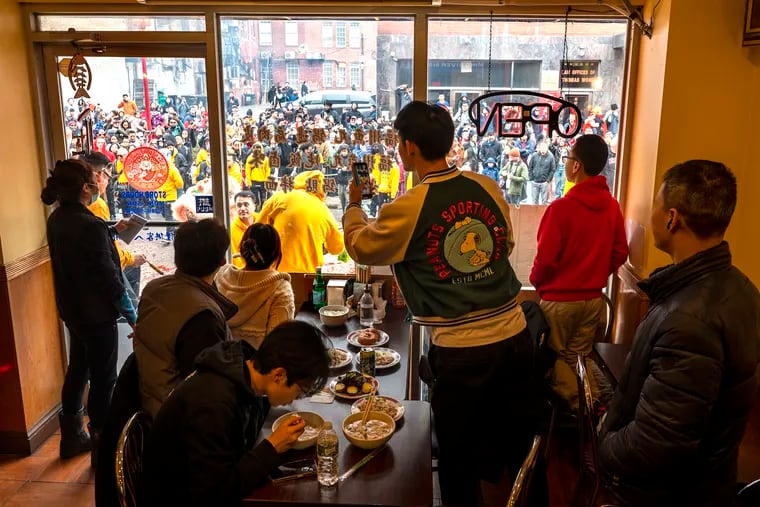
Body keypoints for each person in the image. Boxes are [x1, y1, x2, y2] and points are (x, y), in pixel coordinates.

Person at [342, 101, 544, 506]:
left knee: (458, 457)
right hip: (517, 336)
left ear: (409, 147)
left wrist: (353, 203)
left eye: (400, 141)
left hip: (462, 350)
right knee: (524, 447)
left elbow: (360, 247)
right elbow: (503, 242)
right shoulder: (485, 186)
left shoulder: (412, 205)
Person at [598, 161, 760, 506]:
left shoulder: (689, 321)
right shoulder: (741, 287)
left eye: (655, 204)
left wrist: (603, 443)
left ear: (672, 218)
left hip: (670, 492)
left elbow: (656, 443)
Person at [141, 321, 330, 507]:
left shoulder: (245, 371)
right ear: (279, 375)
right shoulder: (214, 405)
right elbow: (213, 495)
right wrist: (272, 446)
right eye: (299, 392)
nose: (295, 400)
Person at [41, 159, 136, 464]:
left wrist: (109, 229)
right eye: (95, 178)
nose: (99, 181)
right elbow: (109, 279)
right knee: (104, 379)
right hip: (97, 316)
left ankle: (71, 438)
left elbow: (81, 243)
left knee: (78, 370)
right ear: (85, 188)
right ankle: (102, 448)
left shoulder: (57, 219)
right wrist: (133, 314)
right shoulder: (90, 226)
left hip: (72, 312)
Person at [529, 134, 629, 409]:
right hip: (594, 301)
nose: (565, 164)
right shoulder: (611, 206)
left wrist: (538, 282)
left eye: (568, 158)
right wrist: (594, 274)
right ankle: (600, 403)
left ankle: (587, 408)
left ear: (577, 165)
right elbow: (621, 252)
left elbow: (546, 260)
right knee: (579, 357)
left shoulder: (561, 209)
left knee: (555, 359)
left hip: (560, 302)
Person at [133, 219, 238, 419]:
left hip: (152, 403)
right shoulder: (202, 316)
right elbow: (207, 390)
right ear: (222, 261)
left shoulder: (154, 289)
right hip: (182, 422)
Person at [216, 223, 295, 349]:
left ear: (243, 249)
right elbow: (278, 345)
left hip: (217, 363)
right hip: (255, 366)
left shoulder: (220, 277)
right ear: (275, 253)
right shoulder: (280, 288)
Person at [257, 170, 344, 273]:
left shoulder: (279, 197)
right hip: (308, 276)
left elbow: (256, 230)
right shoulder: (323, 210)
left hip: (276, 272)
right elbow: (337, 248)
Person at [230, 190, 257, 269]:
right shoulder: (232, 229)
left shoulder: (263, 221)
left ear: (255, 206)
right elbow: (236, 258)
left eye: (246, 205)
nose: (242, 208)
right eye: (239, 205)